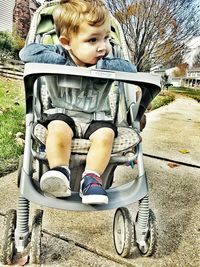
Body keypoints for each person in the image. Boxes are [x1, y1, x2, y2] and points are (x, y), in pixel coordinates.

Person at [19, 0, 137, 205]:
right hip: (63, 114)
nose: (103, 47)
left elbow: (130, 70)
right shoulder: (58, 53)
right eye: (93, 40)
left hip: (97, 118)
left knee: (106, 134)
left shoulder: (106, 62)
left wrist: (102, 66)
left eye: (107, 38)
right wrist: (65, 63)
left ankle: (91, 179)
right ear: (66, 42)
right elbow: (26, 53)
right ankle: (59, 172)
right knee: (57, 128)